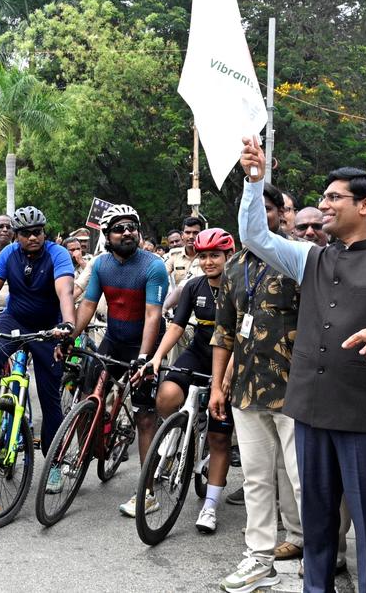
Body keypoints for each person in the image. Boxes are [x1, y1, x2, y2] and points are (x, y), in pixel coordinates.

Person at [237, 137, 366, 593]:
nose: (324, 206)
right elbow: (255, 235)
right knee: (316, 521)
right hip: (311, 411)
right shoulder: (308, 257)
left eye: (334, 198)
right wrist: (255, 181)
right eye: (323, 198)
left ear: (365, 205)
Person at [209, 184, 306, 591]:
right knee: (256, 478)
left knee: (304, 480)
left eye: (267, 209)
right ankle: (259, 558)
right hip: (246, 392)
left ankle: (317, 558)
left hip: (296, 390)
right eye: (252, 208)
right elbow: (224, 332)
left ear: (282, 214)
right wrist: (218, 386)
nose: (260, 215)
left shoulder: (300, 259)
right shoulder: (235, 268)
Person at [64, 203, 168, 517]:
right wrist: (70, 338)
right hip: (114, 340)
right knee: (88, 395)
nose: (127, 233)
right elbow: (87, 305)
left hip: (144, 344)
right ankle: (87, 452)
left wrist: (143, 359)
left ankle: (148, 493)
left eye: (131, 227)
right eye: (119, 229)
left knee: (145, 417)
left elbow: (153, 316)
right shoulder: (101, 265)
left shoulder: (154, 266)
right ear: (107, 236)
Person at [0, 206, 75, 492]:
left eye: (38, 232)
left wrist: (68, 324)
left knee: (49, 398)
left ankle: (54, 464)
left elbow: (65, 291)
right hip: (15, 319)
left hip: (49, 325)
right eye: (27, 233)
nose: (34, 237)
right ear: (16, 236)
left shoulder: (58, 254)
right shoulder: (8, 254)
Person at [148, 228, 236, 534]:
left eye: (215, 255)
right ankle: (178, 435)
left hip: (230, 359)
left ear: (228, 256)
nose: (209, 261)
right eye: (204, 256)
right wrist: (158, 356)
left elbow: (244, 334)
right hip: (199, 351)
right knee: (167, 395)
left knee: (219, 438)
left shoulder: (238, 285)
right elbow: (176, 326)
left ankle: (210, 505)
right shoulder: (194, 286)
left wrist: (225, 377)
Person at [164, 215, 206, 288]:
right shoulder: (174, 255)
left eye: (195, 233)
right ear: (182, 235)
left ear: (202, 234)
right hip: (179, 297)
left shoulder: (208, 256)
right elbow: (162, 275)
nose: (191, 237)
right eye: (187, 232)